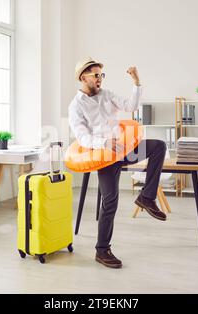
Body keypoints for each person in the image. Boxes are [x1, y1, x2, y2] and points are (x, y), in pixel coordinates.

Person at [68, 57, 167, 269]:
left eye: (101, 75)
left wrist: (136, 82)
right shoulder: (76, 106)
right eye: (96, 75)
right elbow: (82, 138)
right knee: (110, 201)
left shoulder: (106, 94)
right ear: (83, 77)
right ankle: (102, 250)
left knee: (158, 146)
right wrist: (104, 142)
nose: (99, 79)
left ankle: (146, 198)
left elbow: (131, 105)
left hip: (123, 150)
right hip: (104, 155)